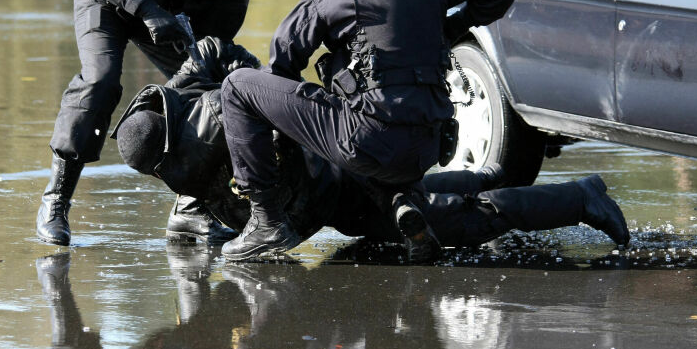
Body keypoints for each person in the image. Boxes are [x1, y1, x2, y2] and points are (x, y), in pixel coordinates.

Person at [111, 37, 631, 261]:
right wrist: (272, 79)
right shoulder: (180, 97)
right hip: (339, 149)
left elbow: (272, 183)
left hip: (335, 179)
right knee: (423, 200)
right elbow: (211, 51)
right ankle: (487, 175)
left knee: (450, 223)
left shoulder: (202, 142)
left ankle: (580, 198)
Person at [218, 0, 524, 260]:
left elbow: (280, 67)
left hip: (367, 144)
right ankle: (402, 200)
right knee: (374, 97)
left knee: (238, 87)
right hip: (427, 150)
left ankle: (267, 223)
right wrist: (451, 27)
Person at [36, 0, 255, 247]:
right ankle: (56, 199)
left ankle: (191, 207)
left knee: (209, 94)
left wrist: (193, 78)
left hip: (170, 22)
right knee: (101, 81)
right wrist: (146, 9)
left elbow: (215, 43)